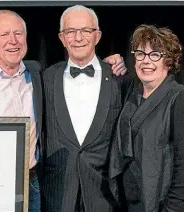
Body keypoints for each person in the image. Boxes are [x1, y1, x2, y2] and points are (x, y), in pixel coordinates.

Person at [0, 9, 126, 211]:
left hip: (33, 184)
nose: (13, 41)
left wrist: (111, 63)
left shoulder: (37, 73)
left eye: (18, 34)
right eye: (4, 34)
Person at [40, 5, 133, 212]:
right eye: (70, 31)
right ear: (62, 38)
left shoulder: (120, 79)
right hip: (58, 192)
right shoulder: (45, 78)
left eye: (85, 31)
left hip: (106, 196)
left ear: (97, 36)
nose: (78, 37)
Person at [109, 24, 184, 212]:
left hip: (170, 207)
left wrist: (170, 208)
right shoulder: (131, 95)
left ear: (168, 61)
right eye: (141, 54)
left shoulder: (181, 99)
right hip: (134, 205)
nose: (146, 61)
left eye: (155, 55)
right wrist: (108, 63)